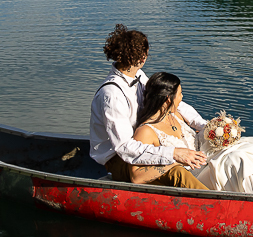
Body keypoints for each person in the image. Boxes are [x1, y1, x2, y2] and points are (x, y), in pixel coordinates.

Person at [132, 71, 253, 196]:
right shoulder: (146, 131)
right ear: (168, 99)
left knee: (247, 147)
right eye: (180, 94)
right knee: (237, 159)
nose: (182, 98)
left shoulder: (175, 114)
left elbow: (198, 130)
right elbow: (136, 177)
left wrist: (218, 131)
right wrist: (174, 158)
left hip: (206, 158)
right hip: (193, 175)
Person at [89, 24, 209, 189]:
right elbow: (124, 147)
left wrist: (202, 125)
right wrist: (173, 153)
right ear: (142, 58)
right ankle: (216, 204)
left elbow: (170, 101)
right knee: (176, 171)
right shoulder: (112, 95)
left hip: (145, 143)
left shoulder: (137, 75)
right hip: (120, 160)